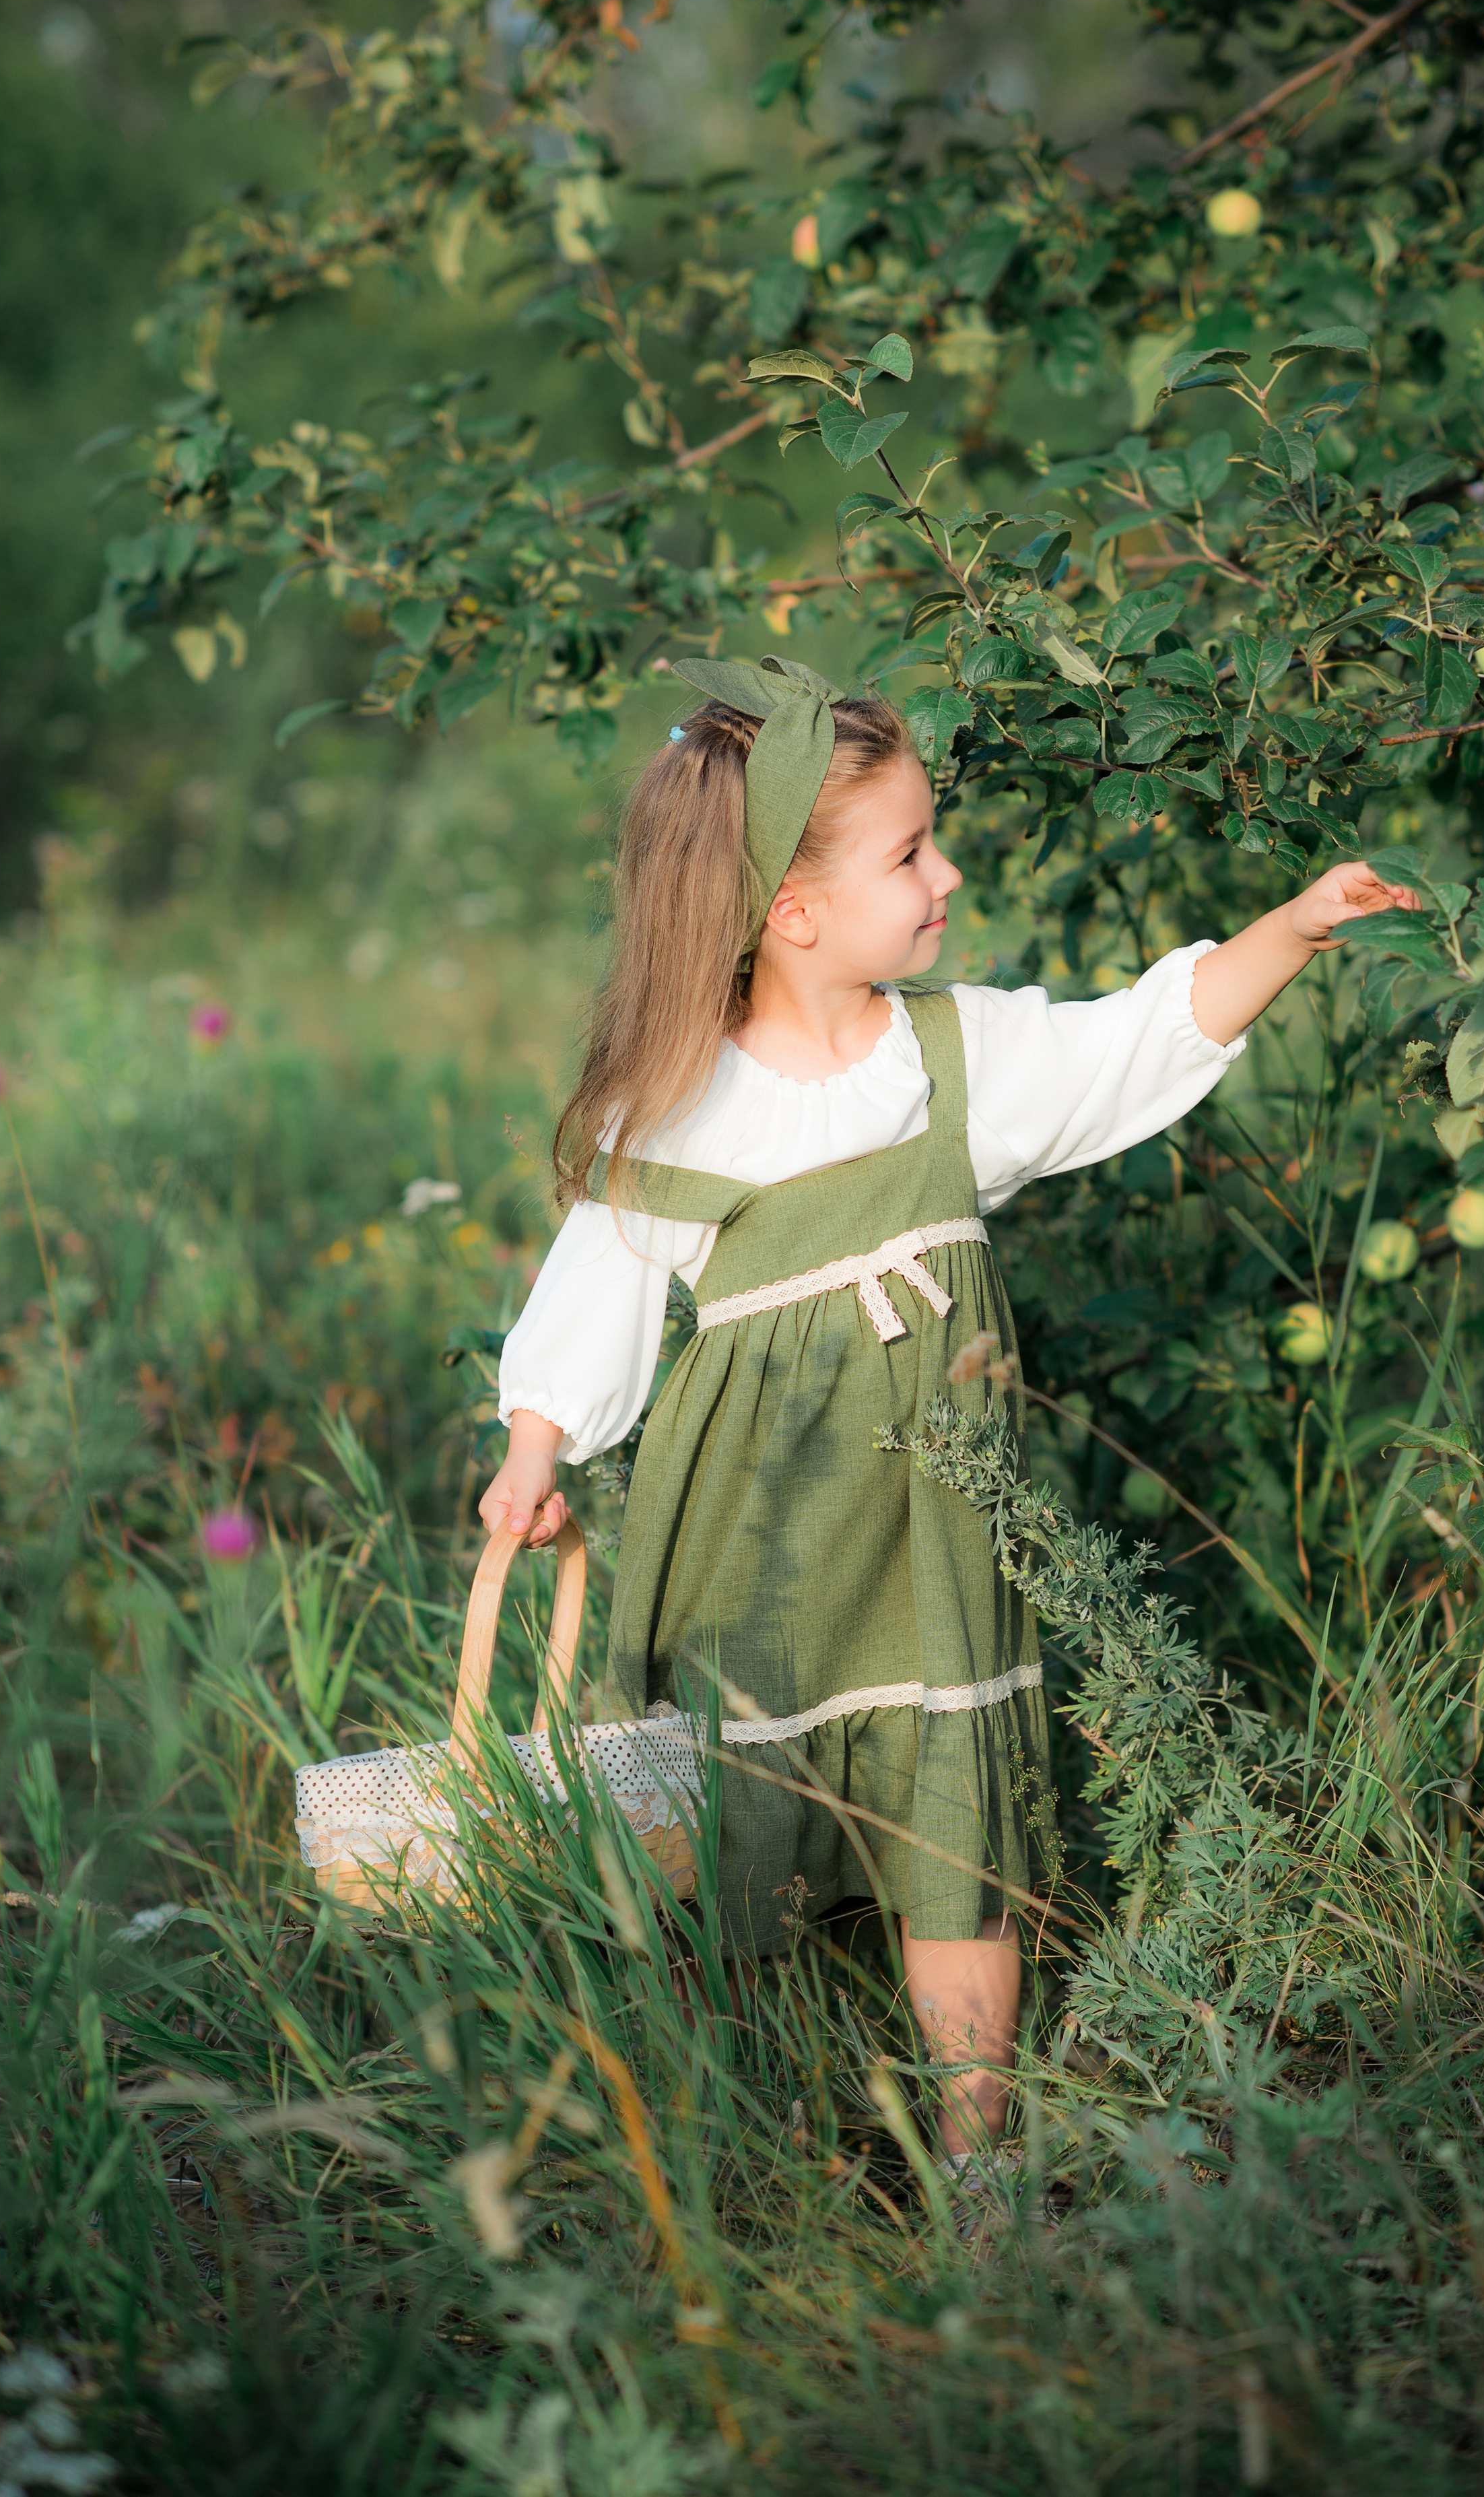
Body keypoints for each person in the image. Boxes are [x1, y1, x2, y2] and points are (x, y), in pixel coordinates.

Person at [481, 655, 1417, 2178]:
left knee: (950, 1828)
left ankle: (977, 2159)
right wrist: (538, 1444)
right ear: (790, 911)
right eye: (909, 852)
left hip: (934, 1523)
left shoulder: (952, 1060)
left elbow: (1136, 1037)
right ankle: (740, 2139)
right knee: (734, 1806)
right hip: (755, 1541)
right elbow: (595, 1280)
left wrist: (1292, 926)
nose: (946, 873)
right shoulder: (673, 1104)